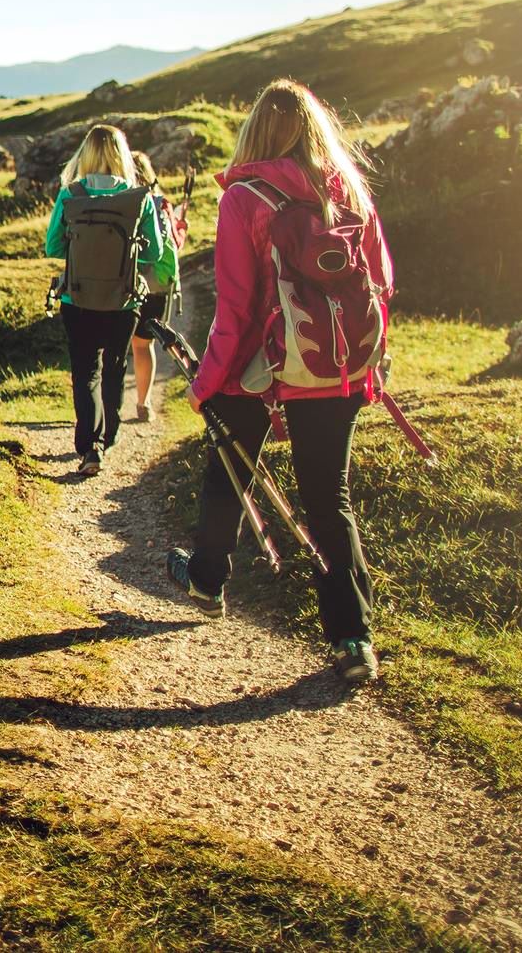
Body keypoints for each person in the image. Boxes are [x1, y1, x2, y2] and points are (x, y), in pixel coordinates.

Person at [166, 79, 393, 685]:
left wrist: (207, 381)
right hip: (335, 369)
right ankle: (353, 639)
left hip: (258, 370)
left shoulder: (244, 197)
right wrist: (365, 367)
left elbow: (236, 309)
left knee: (229, 475)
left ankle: (208, 581)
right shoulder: (348, 192)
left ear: (255, 133)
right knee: (328, 500)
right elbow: (382, 283)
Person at [44, 124, 174, 477]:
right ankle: (110, 435)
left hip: (78, 298)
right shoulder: (140, 197)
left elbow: (52, 246)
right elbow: (155, 253)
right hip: (123, 301)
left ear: (85, 155)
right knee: (115, 367)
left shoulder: (70, 194)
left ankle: (89, 446)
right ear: (121, 154)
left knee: (86, 371)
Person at [128, 149, 186, 423]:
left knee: (120, 346)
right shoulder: (162, 203)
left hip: (132, 282)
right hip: (158, 284)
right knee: (143, 344)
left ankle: (110, 406)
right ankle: (144, 402)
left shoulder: (129, 202)